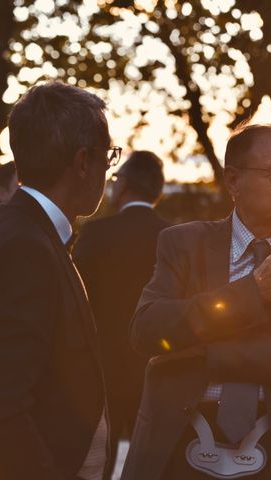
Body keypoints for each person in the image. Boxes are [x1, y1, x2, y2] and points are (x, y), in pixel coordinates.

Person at [121, 122, 271, 480]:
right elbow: (146, 331)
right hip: (178, 437)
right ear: (234, 180)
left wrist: (207, 351)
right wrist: (251, 293)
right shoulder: (182, 243)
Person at [0, 82, 116, 479]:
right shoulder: (26, 247)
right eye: (108, 156)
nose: (108, 170)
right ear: (82, 162)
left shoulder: (14, 227)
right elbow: (0, 402)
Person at [74, 150, 171, 469]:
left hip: (103, 371)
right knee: (156, 466)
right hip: (157, 369)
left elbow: (76, 300)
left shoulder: (97, 233)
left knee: (98, 462)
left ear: (125, 184)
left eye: (116, 178)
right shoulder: (174, 238)